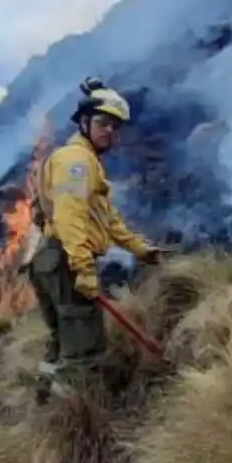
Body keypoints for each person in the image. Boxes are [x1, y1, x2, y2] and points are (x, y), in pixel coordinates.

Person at [26, 78, 162, 401]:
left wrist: (139, 248)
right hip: (66, 260)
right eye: (103, 124)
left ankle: (45, 397)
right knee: (85, 350)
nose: (110, 133)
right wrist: (84, 269)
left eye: (116, 127)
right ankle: (74, 419)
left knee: (63, 339)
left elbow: (106, 219)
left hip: (51, 259)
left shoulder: (85, 161)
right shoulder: (77, 162)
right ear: (85, 122)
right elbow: (71, 218)